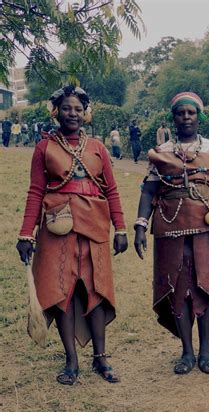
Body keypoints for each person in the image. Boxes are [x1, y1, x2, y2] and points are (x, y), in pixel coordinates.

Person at [16, 85, 128, 385]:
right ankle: (71, 361)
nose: (73, 114)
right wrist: (26, 234)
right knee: (61, 291)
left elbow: (112, 190)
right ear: (56, 112)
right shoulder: (44, 148)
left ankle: (101, 359)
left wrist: (121, 228)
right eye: (67, 108)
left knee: (95, 290)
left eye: (78, 109)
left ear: (86, 113)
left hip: (95, 228)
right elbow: (36, 192)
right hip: (57, 228)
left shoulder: (98, 148)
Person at [134, 92, 209, 375]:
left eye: (191, 113)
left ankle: (206, 350)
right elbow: (148, 191)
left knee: (206, 284)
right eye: (181, 113)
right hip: (171, 229)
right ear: (174, 117)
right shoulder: (162, 151)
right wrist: (140, 225)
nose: (186, 117)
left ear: (199, 116)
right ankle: (186, 351)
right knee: (178, 287)